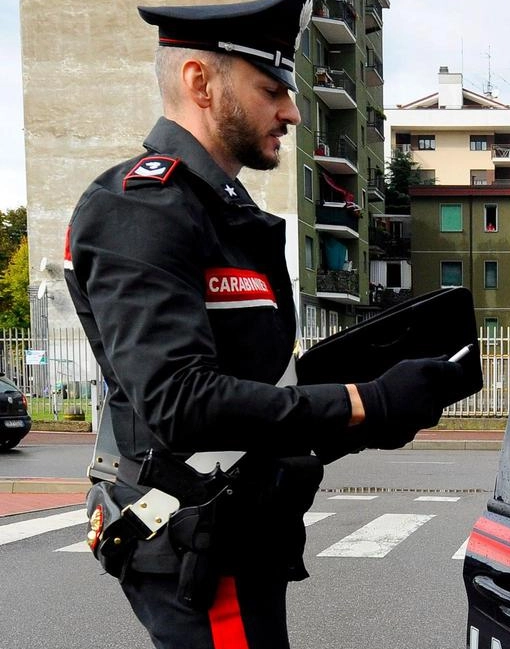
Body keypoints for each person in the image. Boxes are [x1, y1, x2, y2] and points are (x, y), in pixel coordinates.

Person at [64, 1, 471, 647]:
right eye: (271, 88)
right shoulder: (138, 209)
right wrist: (363, 402)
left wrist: (373, 418)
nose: (293, 110)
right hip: (197, 543)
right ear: (200, 82)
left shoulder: (224, 212)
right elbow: (179, 403)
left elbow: (257, 395)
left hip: (243, 535)